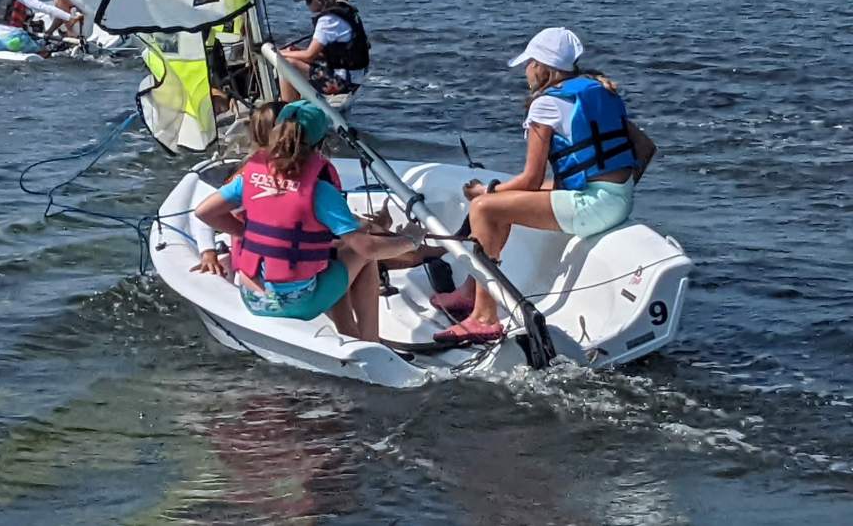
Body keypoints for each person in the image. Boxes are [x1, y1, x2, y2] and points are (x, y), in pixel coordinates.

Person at [433, 27, 641, 344]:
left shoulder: (546, 104)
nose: (527, 71)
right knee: (499, 203)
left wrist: (485, 192)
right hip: (618, 198)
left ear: (543, 67)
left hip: (593, 206)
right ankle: (469, 292)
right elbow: (630, 153)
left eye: (530, 63)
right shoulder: (597, 89)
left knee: (484, 209)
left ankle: (484, 318)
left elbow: (530, 179)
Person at [193, 101, 425, 341]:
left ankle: (349, 334)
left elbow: (204, 213)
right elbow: (367, 247)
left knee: (333, 256)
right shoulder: (319, 191)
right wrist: (410, 239)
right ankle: (371, 342)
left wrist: (247, 233)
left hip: (252, 297)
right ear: (321, 143)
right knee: (362, 256)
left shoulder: (249, 177)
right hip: (296, 304)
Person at [193, 100, 286, 275]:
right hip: (256, 265)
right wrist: (208, 252)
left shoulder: (301, 173)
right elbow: (203, 213)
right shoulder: (248, 177)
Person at [277, 0, 370, 102]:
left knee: (287, 63)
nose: (307, 4)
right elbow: (332, 53)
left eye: (309, 0)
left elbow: (309, 55)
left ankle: (288, 112)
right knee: (292, 57)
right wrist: (296, 51)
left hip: (343, 82)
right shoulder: (344, 12)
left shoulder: (328, 20)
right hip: (354, 77)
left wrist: (277, 53)